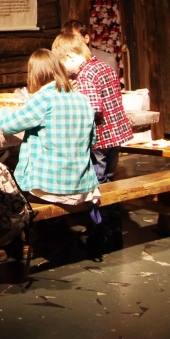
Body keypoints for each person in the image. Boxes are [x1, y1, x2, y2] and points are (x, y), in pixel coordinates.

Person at [54, 32, 132, 251]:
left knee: (97, 186)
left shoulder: (86, 74)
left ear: (70, 56)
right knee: (109, 182)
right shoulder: (103, 66)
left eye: (63, 65)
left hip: (100, 138)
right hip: (116, 135)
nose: (66, 71)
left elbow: (93, 110)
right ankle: (115, 230)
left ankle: (101, 233)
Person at [0, 50, 98, 206]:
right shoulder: (83, 99)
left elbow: (7, 126)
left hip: (50, 188)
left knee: (4, 194)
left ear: (35, 74)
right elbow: (92, 140)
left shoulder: (43, 98)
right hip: (82, 186)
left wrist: (3, 110)